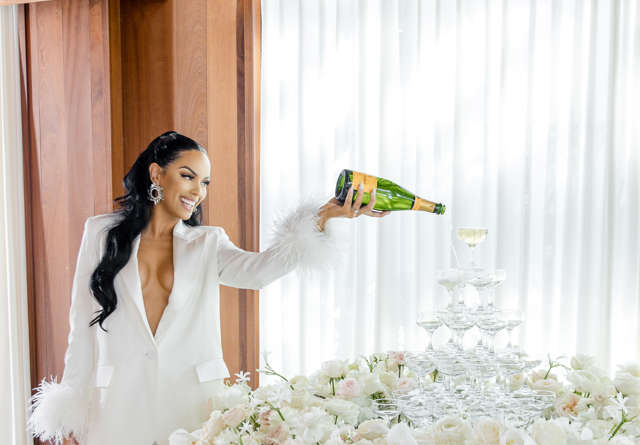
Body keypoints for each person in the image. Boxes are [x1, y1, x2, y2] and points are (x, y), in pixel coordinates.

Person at [27, 131, 389, 445]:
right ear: (156, 173)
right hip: (117, 408)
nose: (198, 192)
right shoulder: (100, 233)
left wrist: (322, 216)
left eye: (205, 183)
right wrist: (71, 407)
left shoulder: (207, 243)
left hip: (193, 407)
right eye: (188, 177)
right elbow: (82, 325)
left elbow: (260, 273)